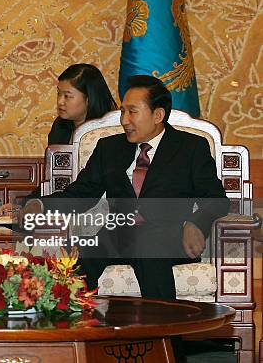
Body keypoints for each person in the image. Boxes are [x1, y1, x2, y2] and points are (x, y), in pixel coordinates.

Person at [25, 75, 228, 299]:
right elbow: (83, 193)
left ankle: (163, 331)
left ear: (158, 115)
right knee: (79, 256)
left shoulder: (190, 148)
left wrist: (195, 223)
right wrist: (41, 204)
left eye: (132, 111)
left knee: (148, 247)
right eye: (123, 111)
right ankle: (73, 324)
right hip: (117, 236)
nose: (124, 120)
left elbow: (216, 199)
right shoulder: (109, 148)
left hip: (168, 239)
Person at [1, 63, 117, 212]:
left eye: (67, 96)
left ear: (89, 98)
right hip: (61, 206)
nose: (60, 101)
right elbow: (54, 181)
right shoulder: (60, 127)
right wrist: (25, 204)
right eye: (58, 94)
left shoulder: (109, 133)